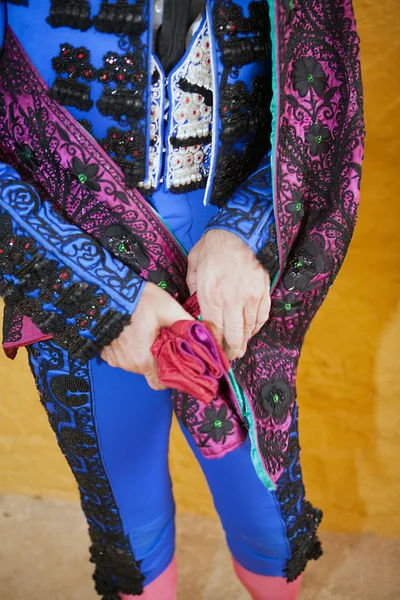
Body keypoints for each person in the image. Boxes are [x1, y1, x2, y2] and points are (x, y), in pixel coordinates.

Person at [0, 1, 364, 599]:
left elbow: (326, 88)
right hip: (72, 258)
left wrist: (247, 230)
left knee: (269, 522)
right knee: (130, 524)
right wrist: (101, 296)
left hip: (234, 277)